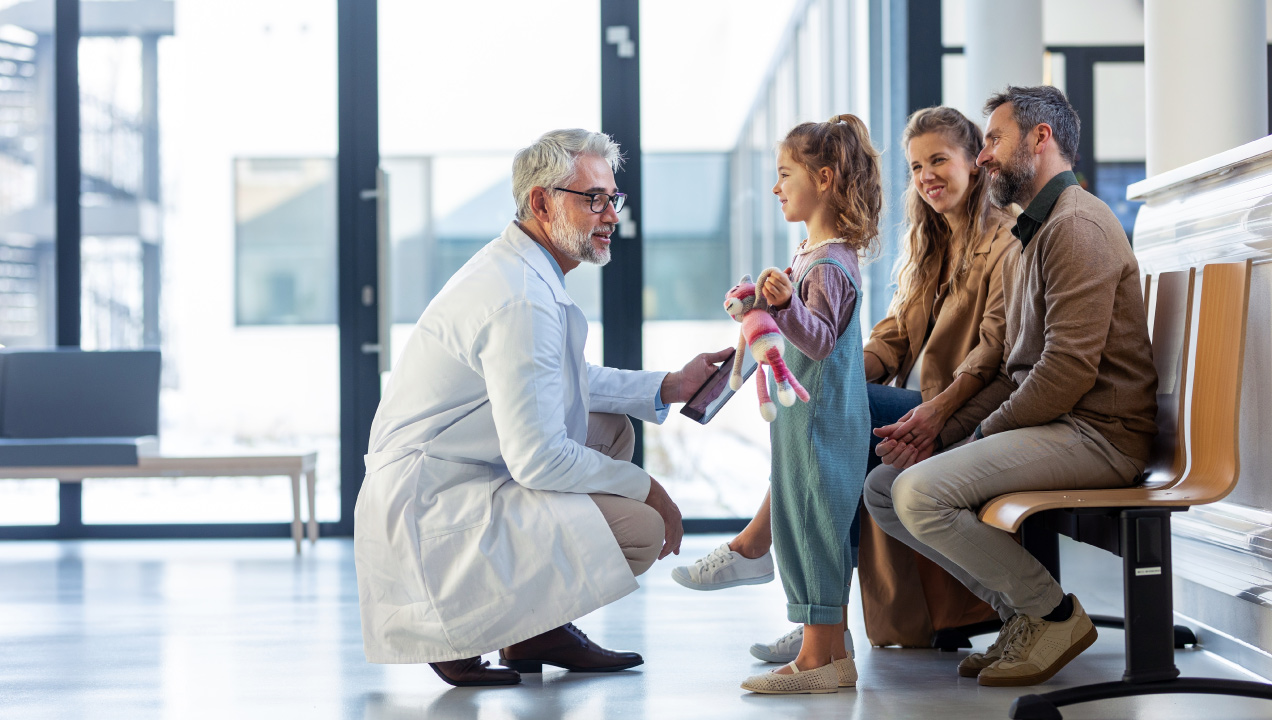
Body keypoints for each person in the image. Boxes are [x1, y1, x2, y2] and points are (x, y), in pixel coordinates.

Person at [353, 129, 731, 688]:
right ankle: (465, 627)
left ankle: (537, 631)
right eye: (593, 199)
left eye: (613, 199)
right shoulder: (519, 297)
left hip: (465, 475)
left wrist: (671, 385)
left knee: (607, 430)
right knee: (643, 530)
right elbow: (537, 460)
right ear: (540, 201)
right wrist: (649, 489)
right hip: (432, 505)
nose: (610, 216)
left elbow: (562, 381)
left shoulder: (523, 269)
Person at [673, 106, 1017, 655]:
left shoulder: (1006, 240)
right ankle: (819, 620)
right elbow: (892, 339)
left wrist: (925, 408)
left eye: (939, 161)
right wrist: (826, 373)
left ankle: (797, 593)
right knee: (820, 411)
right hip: (925, 398)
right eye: (916, 166)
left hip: (967, 405)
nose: (926, 175)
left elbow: (993, 351)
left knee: (825, 427)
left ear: (973, 165)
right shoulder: (931, 242)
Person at [863, 85, 1158, 687]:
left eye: (994, 138)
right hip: (1060, 424)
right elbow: (1013, 363)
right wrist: (947, 428)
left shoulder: (1076, 227)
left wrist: (974, 436)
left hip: (1097, 435)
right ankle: (1018, 615)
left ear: (1041, 139)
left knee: (917, 494)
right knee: (883, 490)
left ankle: (1051, 613)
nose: (986, 154)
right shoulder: (1037, 229)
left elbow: (1064, 372)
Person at [736, 113, 877, 695]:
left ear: (823, 178)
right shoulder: (815, 255)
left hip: (820, 421)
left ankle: (822, 661)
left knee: (815, 526)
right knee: (802, 523)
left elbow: (816, 337)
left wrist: (786, 304)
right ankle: (826, 647)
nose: (776, 187)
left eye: (784, 174)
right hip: (807, 420)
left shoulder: (829, 264)